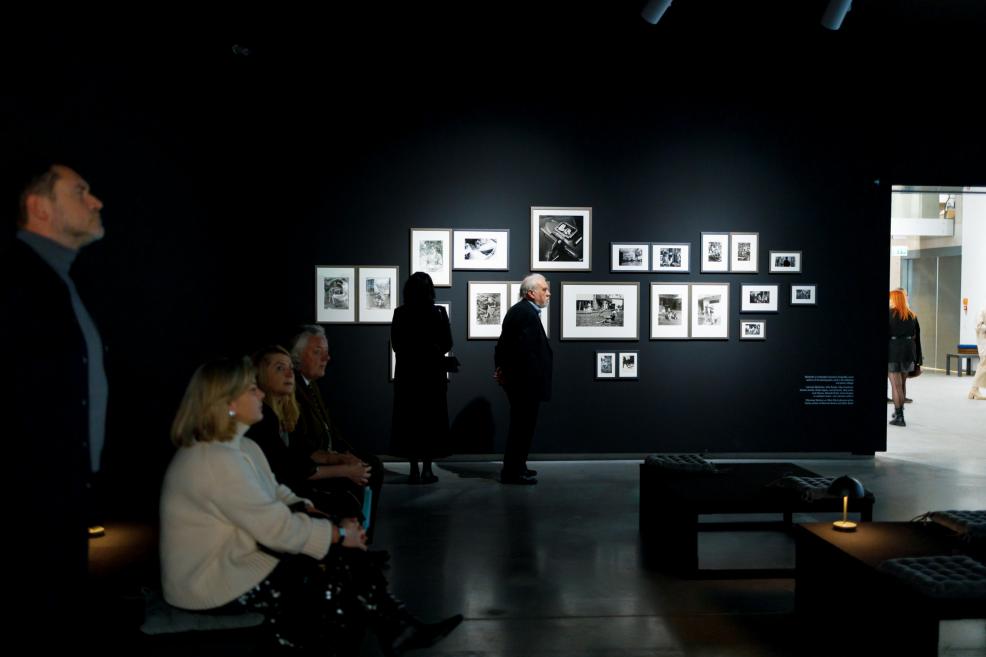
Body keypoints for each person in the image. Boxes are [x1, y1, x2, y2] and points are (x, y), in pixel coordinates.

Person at [160, 357, 462, 655]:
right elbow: (276, 528)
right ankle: (391, 628)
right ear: (228, 402)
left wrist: (319, 515)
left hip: (233, 562)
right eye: (252, 389)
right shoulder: (215, 459)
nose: (261, 394)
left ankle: (396, 627)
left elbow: (278, 494)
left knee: (338, 568)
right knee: (332, 583)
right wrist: (337, 533)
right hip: (208, 584)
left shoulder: (240, 446)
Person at [1, 160, 108, 638]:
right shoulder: (15, 279)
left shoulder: (56, 278)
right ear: (39, 207)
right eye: (80, 191)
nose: (96, 200)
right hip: (30, 506)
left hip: (59, 498)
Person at [248, 345, 366, 517]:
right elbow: (291, 470)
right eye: (280, 368)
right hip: (276, 494)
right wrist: (344, 470)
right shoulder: (264, 417)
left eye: (290, 368)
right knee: (345, 500)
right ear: (260, 375)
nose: (290, 374)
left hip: (292, 485)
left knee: (353, 484)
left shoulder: (288, 413)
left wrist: (339, 458)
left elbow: (303, 451)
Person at [289, 325, 383, 537]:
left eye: (326, 352)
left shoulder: (311, 385)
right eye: (317, 352)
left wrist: (347, 454)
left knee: (371, 464)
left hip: (325, 457)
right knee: (366, 470)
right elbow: (303, 448)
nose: (326, 358)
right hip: (312, 466)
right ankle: (355, 537)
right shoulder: (293, 390)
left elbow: (330, 429)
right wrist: (341, 460)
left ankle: (362, 535)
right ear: (297, 356)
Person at [390, 272, 454, 484]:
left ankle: (413, 470)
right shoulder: (438, 312)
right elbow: (447, 343)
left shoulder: (400, 313)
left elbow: (397, 345)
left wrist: (414, 349)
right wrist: (431, 349)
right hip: (432, 375)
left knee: (409, 421)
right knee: (430, 421)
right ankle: (427, 468)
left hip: (408, 375)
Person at [494, 273, 553, 484]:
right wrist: (505, 372)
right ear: (531, 292)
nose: (548, 293)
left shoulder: (524, 311)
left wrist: (500, 369)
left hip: (523, 382)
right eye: (544, 290)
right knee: (521, 427)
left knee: (523, 426)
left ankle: (519, 466)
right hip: (524, 383)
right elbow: (520, 352)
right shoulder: (525, 313)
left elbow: (503, 346)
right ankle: (512, 472)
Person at [888, 288, 922, 427]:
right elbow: (917, 339)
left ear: (894, 299)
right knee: (902, 385)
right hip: (909, 353)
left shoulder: (889, 314)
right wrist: (919, 359)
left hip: (893, 352)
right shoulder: (912, 315)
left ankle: (899, 417)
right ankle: (899, 412)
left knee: (896, 387)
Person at [970, 306, 986, 400]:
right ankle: (974, 390)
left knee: (983, 365)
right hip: (983, 343)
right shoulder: (982, 310)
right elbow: (979, 326)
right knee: (983, 364)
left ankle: (973, 390)